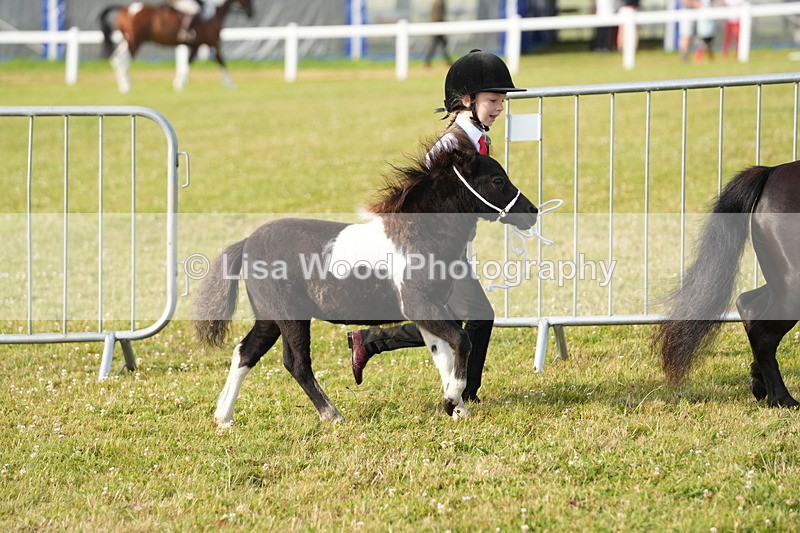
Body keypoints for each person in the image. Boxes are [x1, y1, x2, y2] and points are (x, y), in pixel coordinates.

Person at [347, 49, 524, 403]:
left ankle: (367, 342)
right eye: (493, 100)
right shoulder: (451, 146)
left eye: (502, 100)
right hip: (435, 253)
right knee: (476, 315)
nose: (499, 107)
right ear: (466, 101)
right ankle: (465, 394)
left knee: (451, 315)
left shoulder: (476, 139)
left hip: (452, 249)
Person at [425, 0, 453, 67]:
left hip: (437, 27)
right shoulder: (440, 3)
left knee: (439, 46)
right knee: (437, 46)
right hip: (438, 27)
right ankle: (427, 62)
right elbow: (438, 16)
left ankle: (427, 62)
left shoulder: (438, 2)